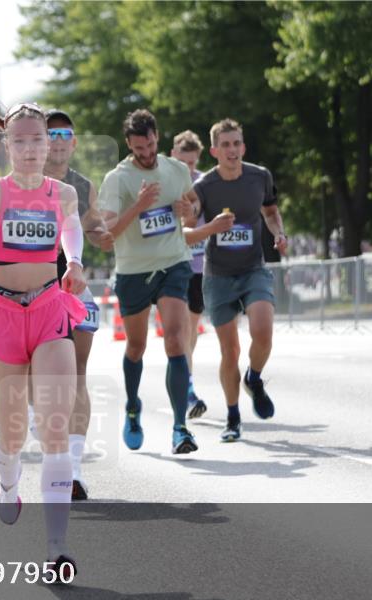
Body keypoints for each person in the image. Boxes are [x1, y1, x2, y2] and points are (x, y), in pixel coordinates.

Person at [0, 100, 88, 582]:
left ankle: (57, 549)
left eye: (37, 139)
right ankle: (8, 483)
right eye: (20, 140)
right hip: (3, 316)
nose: (29, 148)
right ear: (7, 146)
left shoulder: (63, 193)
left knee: (54, 428)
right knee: (13, 435)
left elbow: (72, 235)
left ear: (49, 145)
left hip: (50, 312)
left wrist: (74, 263)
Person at [98, 109, 213, 455]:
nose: (146, 154)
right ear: (128, 145)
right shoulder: (117, 179)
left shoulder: (176, 169)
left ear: (157, 137)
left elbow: (193, 206)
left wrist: (188, 211)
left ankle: (180, 428)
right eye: (138, 149)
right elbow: (106, 235)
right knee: (136, 346)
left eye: (149, 145)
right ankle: (133, 407)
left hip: (173, 263)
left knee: (176, 340)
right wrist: (139, 206)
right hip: (133, 270)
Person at [188, 118, 288, 442]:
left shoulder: (260, 176)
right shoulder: (204, 186)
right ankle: (232, 418)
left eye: (236, 144)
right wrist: (209, 226)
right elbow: (187, 227)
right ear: (214, 151)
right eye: (225, 145)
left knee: (263, 331)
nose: (232, 150)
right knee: (229, 351)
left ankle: (254, 378)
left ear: (243, 147)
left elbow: (270, 212)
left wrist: (279, 233)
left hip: (253, 268)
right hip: (218, 276)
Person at [40, 108, 114, 500]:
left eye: (64, 135)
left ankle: (74, 470)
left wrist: (104, 235)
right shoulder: (21, 182)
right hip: (30, 290)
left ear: (74, 143)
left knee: (77, 374)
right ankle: (44, 433)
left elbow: (94, 227)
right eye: (50, 134)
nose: (58, 141)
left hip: (71, 287)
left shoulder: (83, 185)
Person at [171, 129, 209, 419]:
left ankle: (185, 380)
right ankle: (188, 391)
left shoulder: (205, 183)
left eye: (192, 164)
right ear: (173, 156)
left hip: (200, 267)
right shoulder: (164, 183)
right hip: (174, 265)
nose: (188, 169)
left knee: (191, 331)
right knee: (182, 330)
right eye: (182, 163)